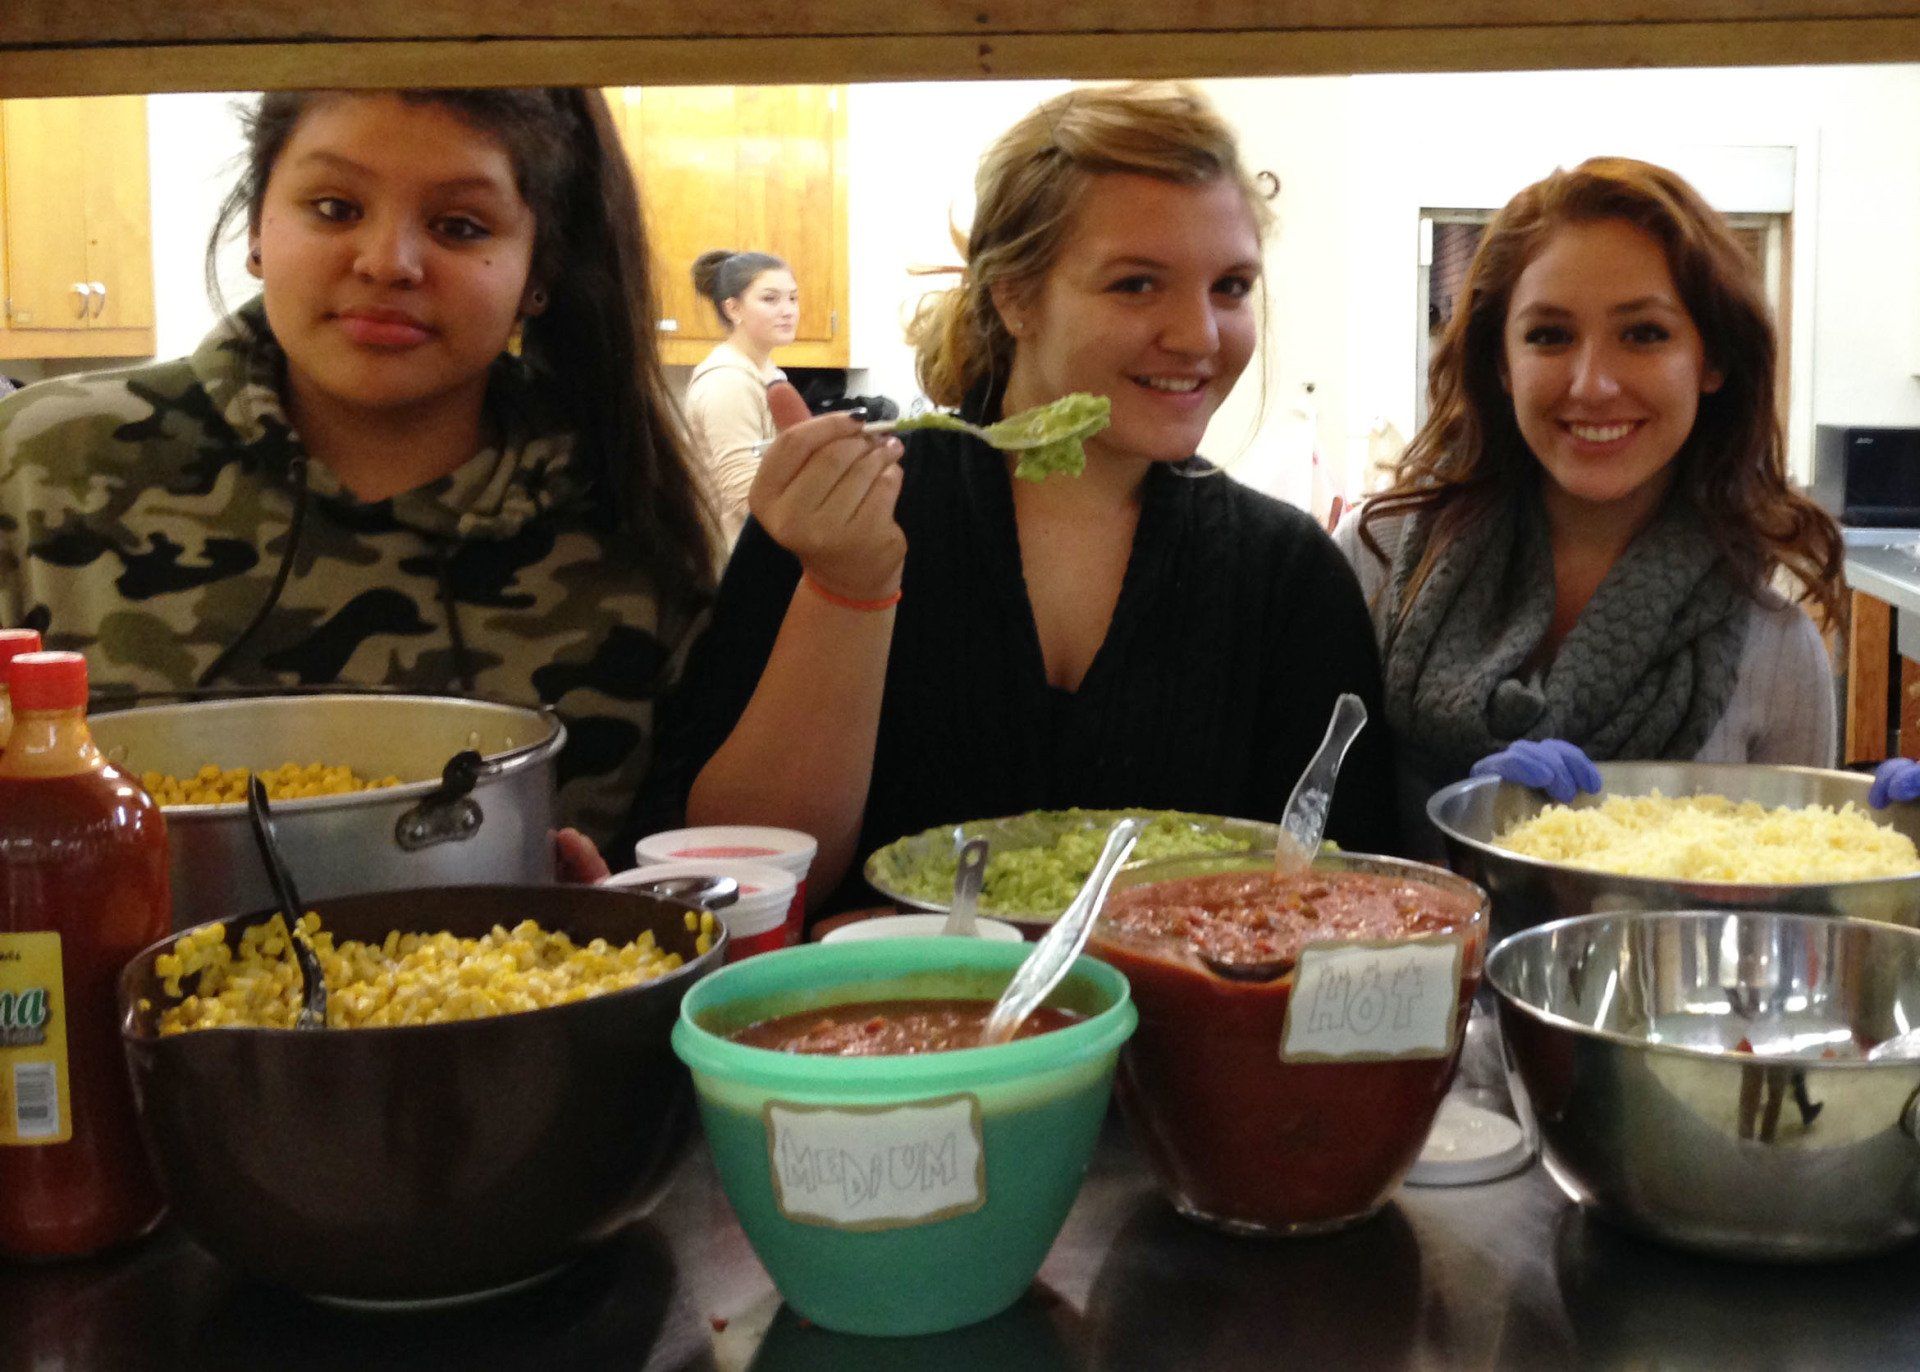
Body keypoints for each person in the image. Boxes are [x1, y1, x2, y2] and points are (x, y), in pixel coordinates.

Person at [647, 82, 1399, 912]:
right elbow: (744, 888)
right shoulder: (848, 513)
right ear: (1013, 295)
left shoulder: (1286, 578)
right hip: (884, 1032)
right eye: (1137, 284)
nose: (1200, 335)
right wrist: (847, 588)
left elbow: (1353, 909)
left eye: (1230, 286)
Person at [0, 88, 718, 868]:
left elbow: (703, 873)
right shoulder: (45, 464)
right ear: (256, 229)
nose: (387, 263)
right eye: (336, 207)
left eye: (459, 227)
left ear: (537, 268)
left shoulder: (626, 518)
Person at [1333, 156, 1845, 841]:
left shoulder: (1773, 651)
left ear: (1713, 360)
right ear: (1500, 364)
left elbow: (1789, 927)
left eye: (1644, 334)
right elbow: (1291, 851)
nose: (1592, 383)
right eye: (1550, 336)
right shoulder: (1377, 562)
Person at [683, 249, 800, 544]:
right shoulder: (727, 381)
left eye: (793, 298)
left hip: (763, 547)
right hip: (733, 556)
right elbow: (744, 494)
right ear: (733, 309)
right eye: (770, 299)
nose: (788, 310)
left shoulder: (769, 373)